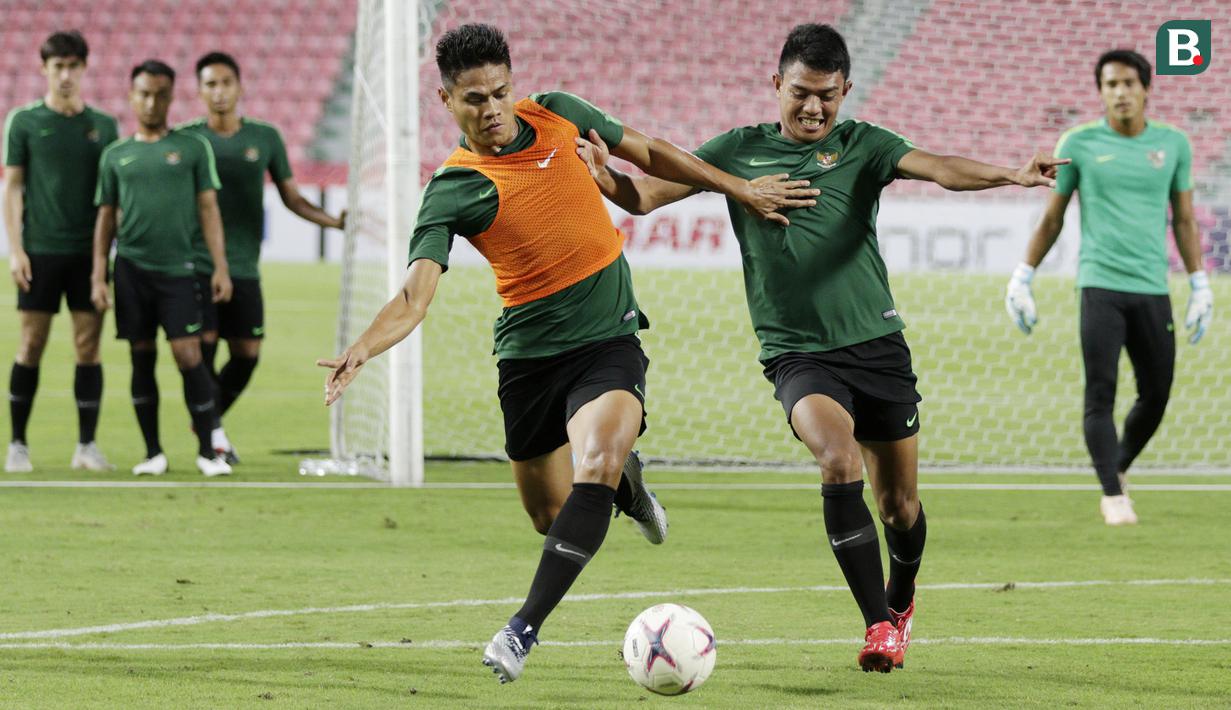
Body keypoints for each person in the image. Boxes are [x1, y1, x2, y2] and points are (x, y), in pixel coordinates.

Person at [317, 23, 813, 684]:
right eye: (474, 100)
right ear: (445, 101)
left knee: (595, 462)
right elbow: (414, 297)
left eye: (499, 93)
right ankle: (629, 484)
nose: (491, 109)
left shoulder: (558, 113)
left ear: (513, 85)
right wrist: (362, 348)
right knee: (550, 515)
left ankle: (522, 628)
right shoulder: (453, 188)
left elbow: (650, 152)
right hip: (528, 361)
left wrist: (737, 187)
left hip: (607, 340)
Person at [575, 23, 1065, 673]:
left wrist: (1010, 174)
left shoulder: (864, 145)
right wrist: (605, 177)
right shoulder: (735, 151)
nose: (813, 107)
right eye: (801, 92)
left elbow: (940, 169)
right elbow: (643, 196)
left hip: (877, 346)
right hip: (797, 354)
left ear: (845, 91)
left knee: (899, 507)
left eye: (826, 96)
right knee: (838, 460)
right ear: (776, 84)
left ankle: (901, 599)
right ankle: (878, 625)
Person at [1005, 49, 1212, 526]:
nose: (1119, 92)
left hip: (1152, 287)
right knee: (1100, 391)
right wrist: (1023, 275)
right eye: (1110, 85)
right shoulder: (1077, 143)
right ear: (1100, 92)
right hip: (1099, 285)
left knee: (1156, 393)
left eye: (1128, 83)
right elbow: (1053, 218)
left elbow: (1183, 219)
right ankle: (1112, 494)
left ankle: (1116, 466)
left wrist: (1199, 282)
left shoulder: (1174, 144)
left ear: (1146, 89)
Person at [180, 51, 347, 464]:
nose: (219, 92)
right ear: (199, 91)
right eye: (210, 84)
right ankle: (213, 439)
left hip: (244, 266)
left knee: (247, 354)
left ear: (239, 87)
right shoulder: (187, 140)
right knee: (203, 352)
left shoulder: (265, 137)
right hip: (198, 264)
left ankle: (206, 421)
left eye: (225, 83)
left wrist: (333, 222)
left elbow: (292, 198)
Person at [90, 60, 234, 477]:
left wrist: (220, 267)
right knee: (141, 357)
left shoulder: (193, 149)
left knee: (189, 356)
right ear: (131, 97)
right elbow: (105, 217)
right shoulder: (116, 155)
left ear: (171, 97)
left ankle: (207, 452)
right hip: (131, 270)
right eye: (144, 94)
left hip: (180, 270)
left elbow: (209, 210)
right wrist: (98, 274)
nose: (151, 102)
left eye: (159, 94)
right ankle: (153, 453)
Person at [3, 31, 118, 472]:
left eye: (73, 66)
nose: (65, 75)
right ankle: (17, 445)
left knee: (88, 347)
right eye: (58, 67)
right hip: (40, 251)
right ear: (44, 69)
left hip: (88, 255)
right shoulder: (24, 122)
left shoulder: (104, 126)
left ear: (84, 68)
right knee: (31, 344)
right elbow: (13, 188)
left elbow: (110, 200)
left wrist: (105, 260)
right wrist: (16, 250)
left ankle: (86, 446)